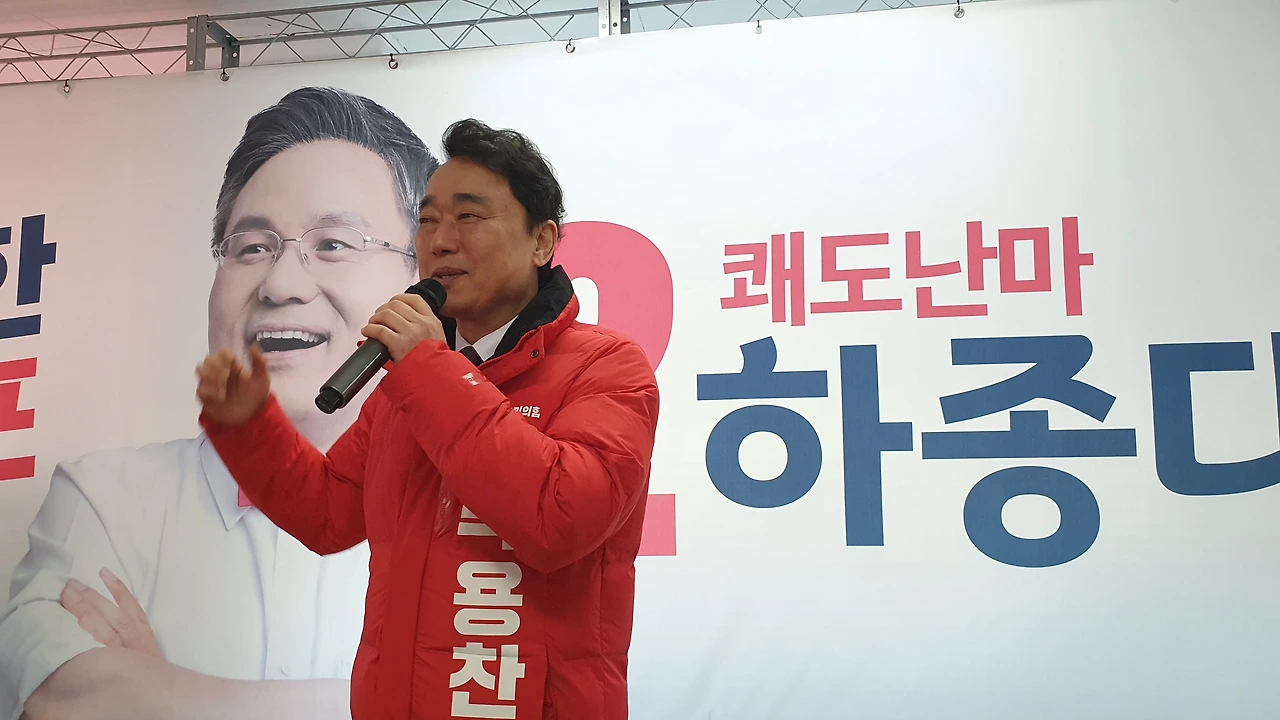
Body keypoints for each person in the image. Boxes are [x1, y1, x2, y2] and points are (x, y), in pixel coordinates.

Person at [194, 119, 661, 720]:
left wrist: (429, 369)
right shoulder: (413, 383)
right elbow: (329, 513)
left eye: (468, 216)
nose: (440, 241)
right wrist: (250, 425)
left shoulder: (605, 365)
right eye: (428, 220)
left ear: (542, 242)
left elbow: (560, 517)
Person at [0, 86, 439, 720]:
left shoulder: (470, 512)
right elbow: (57, 697)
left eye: (334, 244)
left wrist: (158, 690)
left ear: (422, 281)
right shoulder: (108, 498)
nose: (280, 284)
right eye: (252, 247)